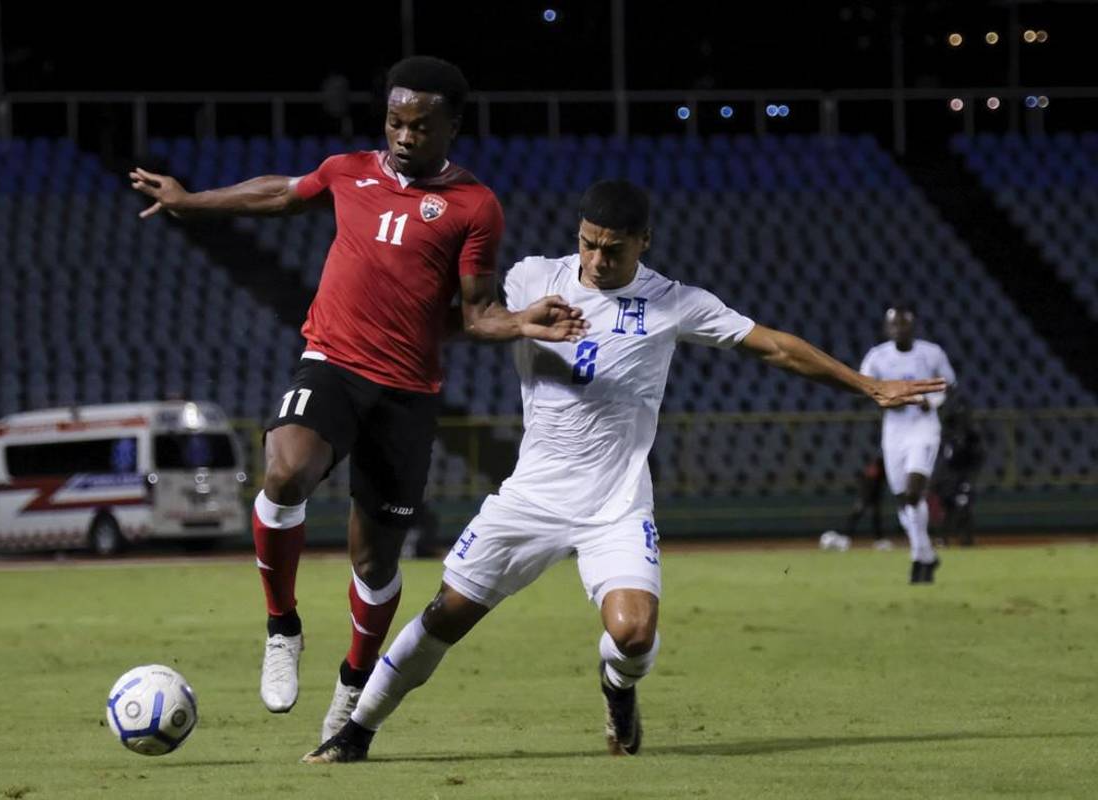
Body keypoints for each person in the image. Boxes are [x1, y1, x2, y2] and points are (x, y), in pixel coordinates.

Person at [302, 180, 947, 763]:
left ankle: (617, 690)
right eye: (588, 245)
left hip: (616, 501)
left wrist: (865, 384)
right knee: (445, 614)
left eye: (612, 249)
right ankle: (356, 732)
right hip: (533, 494)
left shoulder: (674, 302)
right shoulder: (533, 278)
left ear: (644, 241)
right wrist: (514, 323)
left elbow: (775, 346)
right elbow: (459, 319)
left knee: (634, 634)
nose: (597, 260)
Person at [129, 56, 588, 739]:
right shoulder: (349, 171)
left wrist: (522, 322)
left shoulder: (474, 206)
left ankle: (352, 681)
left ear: (451, 128)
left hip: (407, 396)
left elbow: (478, 311)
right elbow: (277, 195)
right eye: (395, 120)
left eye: (421, 125)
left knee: (374, 563)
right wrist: (189, 200)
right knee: (284, 471)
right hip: (332, 365)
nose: (404, 135)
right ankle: (282, 627)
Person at [860, 306, 957, 583]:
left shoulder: (932, 353)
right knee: (902, 498)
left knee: (915, 493)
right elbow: (864, 386)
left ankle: (918, 557)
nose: (899, 329)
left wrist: (933, 401)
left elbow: (948, 384)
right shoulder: (878, 357)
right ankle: (926, 554)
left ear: (913, 326)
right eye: (894, 325)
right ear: (887, 328)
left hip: (923, 428)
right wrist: (885, 398)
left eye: (904, 324)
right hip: (894, 432)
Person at [933, 396, 984, 546]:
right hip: (948, 476)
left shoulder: (972, 436)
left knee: (963, 505)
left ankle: (966, 539)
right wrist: (939, 478)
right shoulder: (946, 433)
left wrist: (970, 477)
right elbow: (944, 457)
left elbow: (978, 457)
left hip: (964, 475)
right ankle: (943, 538)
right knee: (947, 508)